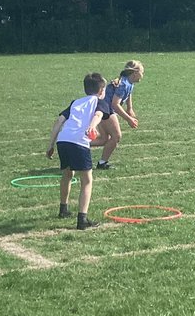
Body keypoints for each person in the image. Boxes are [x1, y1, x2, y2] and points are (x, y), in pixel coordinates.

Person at [46, 72, 107, 230]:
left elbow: (60, 120)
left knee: (67, 174)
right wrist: (92, 126)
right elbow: (99, 114)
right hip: (78, 141)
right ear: (101, 91)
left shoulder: (76, 102)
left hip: (63, 140)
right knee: (87, 180)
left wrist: (50, 144)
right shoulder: (99, 102)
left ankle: (63, 209)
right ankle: (82, 220)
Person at [95, 60, 144, 170]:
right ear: (135, 73)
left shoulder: (128, 82)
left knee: (103, 139)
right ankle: (102, 163)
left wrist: (129, 108)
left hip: (102, 108)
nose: (143, 75)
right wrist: (129, 119)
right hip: (106, 109)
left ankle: (76, 145)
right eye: (142, 72)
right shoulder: (123, 84)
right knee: (116, 136)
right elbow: (115, 104)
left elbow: (129, 93)